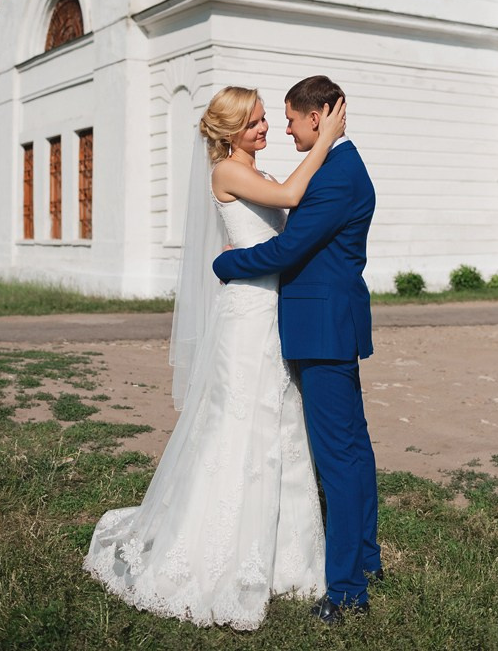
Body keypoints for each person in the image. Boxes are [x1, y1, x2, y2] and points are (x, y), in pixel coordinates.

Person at [83, 85, 345, 630]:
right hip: (247, 316)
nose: (265, 129)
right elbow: (295, 199)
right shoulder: (228, 171)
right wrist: (329, 141)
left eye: (266, 120)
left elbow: (284, 220)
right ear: (229, 132)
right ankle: (215, 550)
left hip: (273, 311)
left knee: (280, 425)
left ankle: (286, 558)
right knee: (237, 425)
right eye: (254, 122)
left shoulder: (262, 174)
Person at [213, 75, 382, 624]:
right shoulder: (335, 166)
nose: (283, 129)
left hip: (321, 328)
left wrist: (226, 263)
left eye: (288, 118)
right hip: (324, 324)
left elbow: (287, 247)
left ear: (318, 117)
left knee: (338, 456)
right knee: (352, 449)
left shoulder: (335, 174)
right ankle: (367, 559)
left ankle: (348, 591)